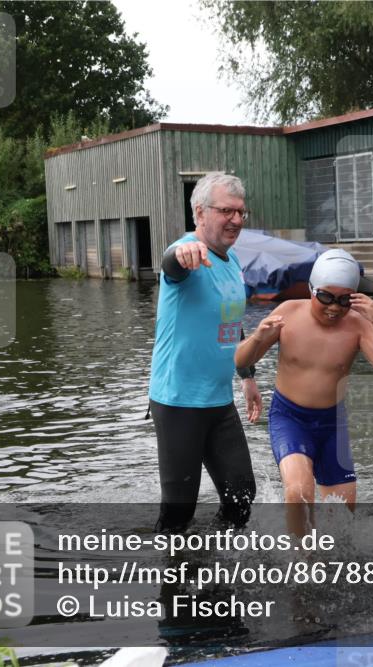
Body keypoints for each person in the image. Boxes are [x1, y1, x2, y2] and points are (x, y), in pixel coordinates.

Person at [234, 249, 373, 520]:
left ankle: (328, 556)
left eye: (344, 300)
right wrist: (257, 338)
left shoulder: (358, 326)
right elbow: (241, 359)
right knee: (300, 492)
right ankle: (302, 560)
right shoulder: (288, 313)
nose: (334, 307)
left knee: (342, 514)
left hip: (332, 424)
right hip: (290, 418)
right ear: (311, 289)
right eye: (325, 297)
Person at [148, 172, 260, 533]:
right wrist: (180, 254)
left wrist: (247, 378)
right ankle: (171, 581)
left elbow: (232, 320)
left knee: (241, 496)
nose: (236, 220)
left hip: (218, 401)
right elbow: (170, 264)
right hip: (179, 401)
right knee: (179, 512)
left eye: (241, 212)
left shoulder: (232, 262)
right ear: (199, 213)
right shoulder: (187, 255)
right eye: (227, 211)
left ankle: (210, 564)